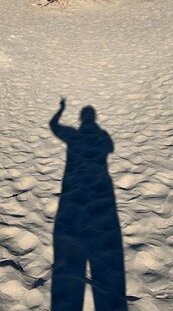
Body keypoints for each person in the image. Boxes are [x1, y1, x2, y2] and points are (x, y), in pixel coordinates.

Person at [50, 98, 127, 311]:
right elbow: (110, 147)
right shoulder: (102, 136)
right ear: (93, 118)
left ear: (81, 118)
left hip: (72, 196)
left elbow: (53, 126)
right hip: (102, 195)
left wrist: (61, 109)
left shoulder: (73, 135)